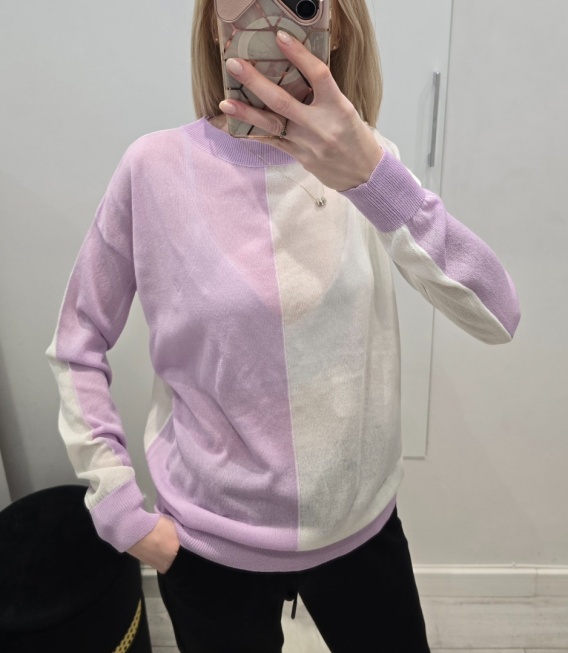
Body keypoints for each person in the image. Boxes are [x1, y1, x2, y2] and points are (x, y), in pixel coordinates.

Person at [46, 1, 521, 651]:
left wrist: (373, 177)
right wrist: (120, 512)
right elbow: (77, 341)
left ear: (338, 24)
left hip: (360, 535)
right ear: (213, 21)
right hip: (209, 549)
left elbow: (498, 314)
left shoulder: (369, 167)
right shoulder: (152, 169)